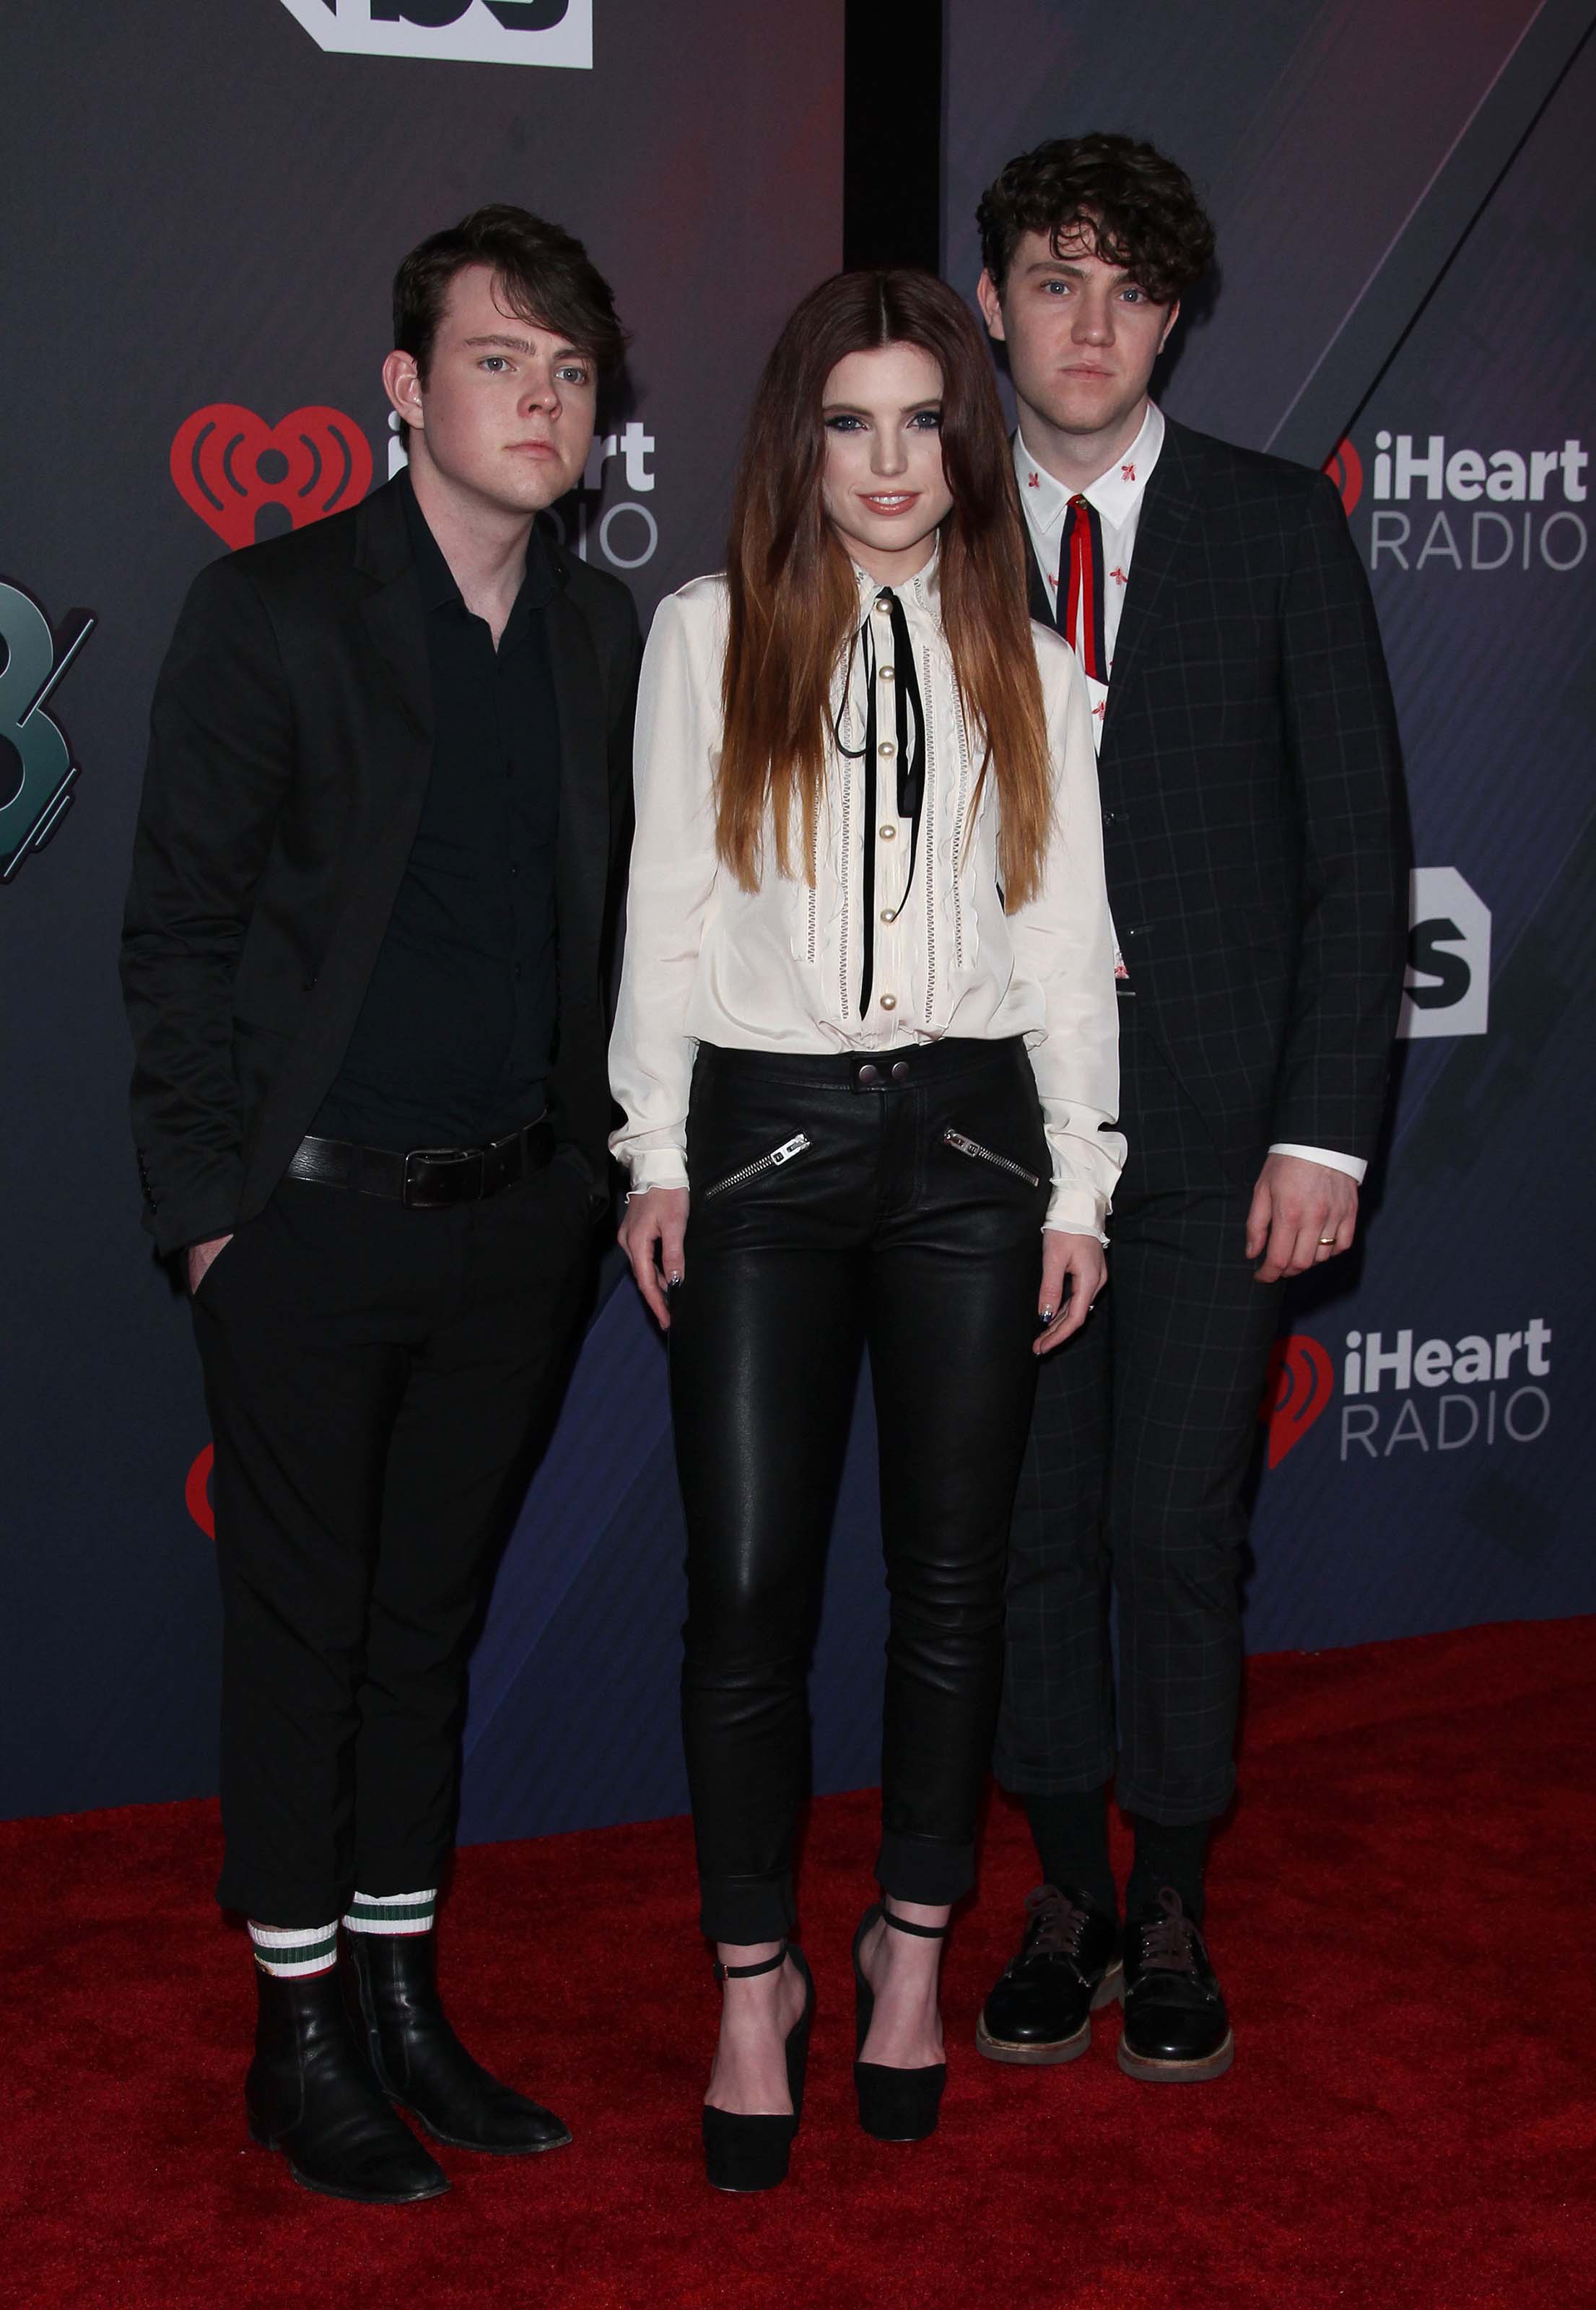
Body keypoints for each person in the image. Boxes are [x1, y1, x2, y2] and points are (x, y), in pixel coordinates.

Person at [121, 206, 640, 2204]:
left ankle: (406, 1995)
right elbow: (175, 939)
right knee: (302, 1637)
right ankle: (297, 2032)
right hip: (310, 1230)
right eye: (500, 361)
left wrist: (595, 1179)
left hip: (519, 1227)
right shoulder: (271, 612)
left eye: (571, 371)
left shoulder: (604, 636)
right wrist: (208, 1215)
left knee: (427, 1627)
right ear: (405, 389)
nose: (542, 400)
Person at [610, 268, 1123, 2192]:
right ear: (797, 441)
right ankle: (756, 1982)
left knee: (952, 1585)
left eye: (923, 421)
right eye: (850, 422)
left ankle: (904, 1948)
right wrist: (652, 1148)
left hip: (976, 1153)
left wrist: (1082, 1173)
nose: (889, 462)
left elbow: (1067, 927)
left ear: (962, 441)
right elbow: (666, 899)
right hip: (761, 1142)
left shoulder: (1033, 651)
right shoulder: (703, 633)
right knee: (744, 1590)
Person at [969, 135, 1408, 2081]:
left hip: (1220, 1133)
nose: (1088, 322)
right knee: (1027, 1532)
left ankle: (1171, 1906)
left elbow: (1355, 854)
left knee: (1170, 1530)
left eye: (1127, 289)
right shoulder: (910, 524)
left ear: (1173, 318)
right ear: (989, 304)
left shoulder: (1269, 524)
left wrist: (1324, 1132)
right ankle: (1061, 1889)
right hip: (986, 1135)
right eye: (1052, 281)